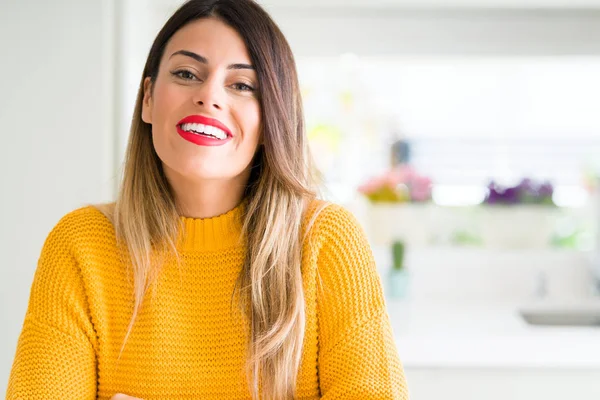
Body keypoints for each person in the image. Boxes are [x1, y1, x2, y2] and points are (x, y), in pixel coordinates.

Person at [6, 0, 409, 398]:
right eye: (186, 73)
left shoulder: (326, 240)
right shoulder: (81, 244)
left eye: (242, 85)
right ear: (148, 98)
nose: (209, 96)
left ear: (272, 120)